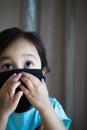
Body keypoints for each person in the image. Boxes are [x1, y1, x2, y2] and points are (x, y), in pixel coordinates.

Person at [0, 27, 71, 130]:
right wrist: (3, 112)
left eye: (28, 64)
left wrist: (45, 108)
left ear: (43, 71)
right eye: (7, 66)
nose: (19, 74)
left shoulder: (51, 106)